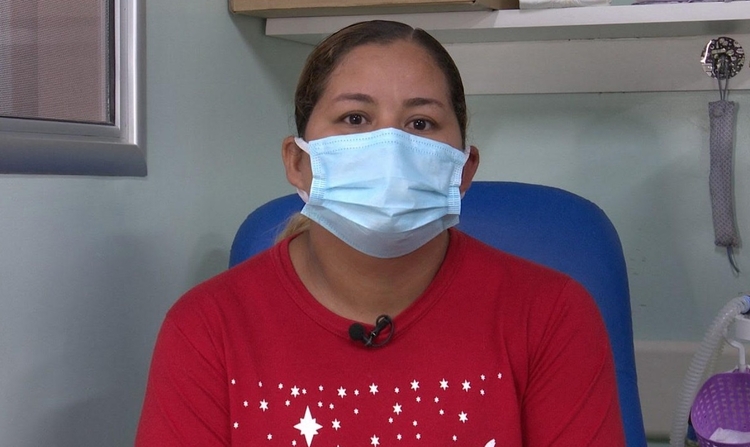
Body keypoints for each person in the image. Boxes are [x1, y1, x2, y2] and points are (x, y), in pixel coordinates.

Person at [135, 20, 625, 446]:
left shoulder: (552, 317)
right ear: (299, 162)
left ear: (463, 169)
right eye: (355, 118)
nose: (390, 145)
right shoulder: (205, 330)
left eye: (421, 122)